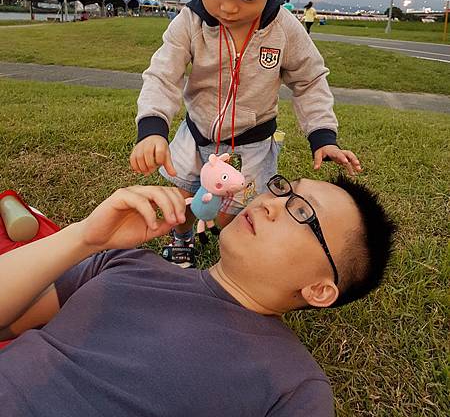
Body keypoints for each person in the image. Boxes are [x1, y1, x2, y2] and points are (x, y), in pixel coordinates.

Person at [0, 176, 395, 416]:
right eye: (283, 188)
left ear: (319, 289)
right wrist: (83, 237)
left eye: (303, 212)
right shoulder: (126, 263)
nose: (270, 204)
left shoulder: (294, 387)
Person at [130, 0, 361, 267]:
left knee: (237, 208)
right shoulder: (189, 23)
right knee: (186, 195)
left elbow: (310, 80)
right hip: (197, 131)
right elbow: (162, 74)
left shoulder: (285, 29)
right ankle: (183, 238)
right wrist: (152, 126)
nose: (228, 7)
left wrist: (322, 134)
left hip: (252, 143)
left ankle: (228, 253)